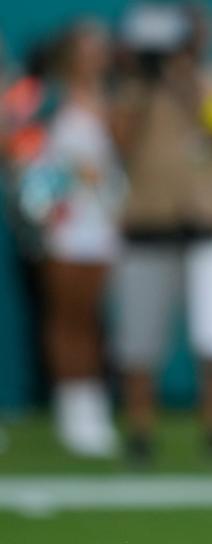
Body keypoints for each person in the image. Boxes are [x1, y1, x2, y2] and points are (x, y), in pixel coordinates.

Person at [111, 2, 212, 464]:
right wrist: (145, 82)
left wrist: (184, 80)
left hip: (210, 227)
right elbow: (117, 141)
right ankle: (139, 431)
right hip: (148, 226)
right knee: (139, 339)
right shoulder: (132, 90)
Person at [26, 20, 123, 457]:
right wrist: (51, 204)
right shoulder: (50, 105)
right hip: (67, 231)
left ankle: (92, 407)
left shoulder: (112, 103)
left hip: (103, 229)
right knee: (68, 321)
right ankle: (74, 412)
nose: (97, 56)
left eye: (100, 48)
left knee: (92, 321)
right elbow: (36, 167)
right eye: (88, 49)